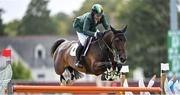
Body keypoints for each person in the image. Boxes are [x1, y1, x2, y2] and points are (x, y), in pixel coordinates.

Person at [73, 4, 110, 68]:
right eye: (97, 16)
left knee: (101, 38)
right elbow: (85, 31)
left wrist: (112, 31)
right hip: (80, 28)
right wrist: (95, 34)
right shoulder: (88, 18)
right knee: (83, 42)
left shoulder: (102, 16)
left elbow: (106, 26)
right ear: (93, 14)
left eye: (100, 15)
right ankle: (78, 61)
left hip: (91, 27)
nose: (99, 17)